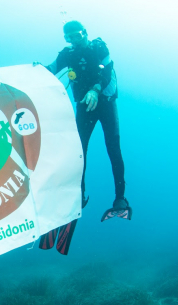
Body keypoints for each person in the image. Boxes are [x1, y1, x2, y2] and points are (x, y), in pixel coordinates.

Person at [36, 20, 131, 219]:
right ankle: (78, 194)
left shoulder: (99, 47)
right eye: (68, 37)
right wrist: (36, 69)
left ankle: (120, 199)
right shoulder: (67, 54)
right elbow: (51, 69)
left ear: (84, 33)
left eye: (76, 35)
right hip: (84, 106)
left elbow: (105, 71)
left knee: (113, 147)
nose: (72, 40)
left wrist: (95, 90)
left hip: (105, 103)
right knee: (78, 151)